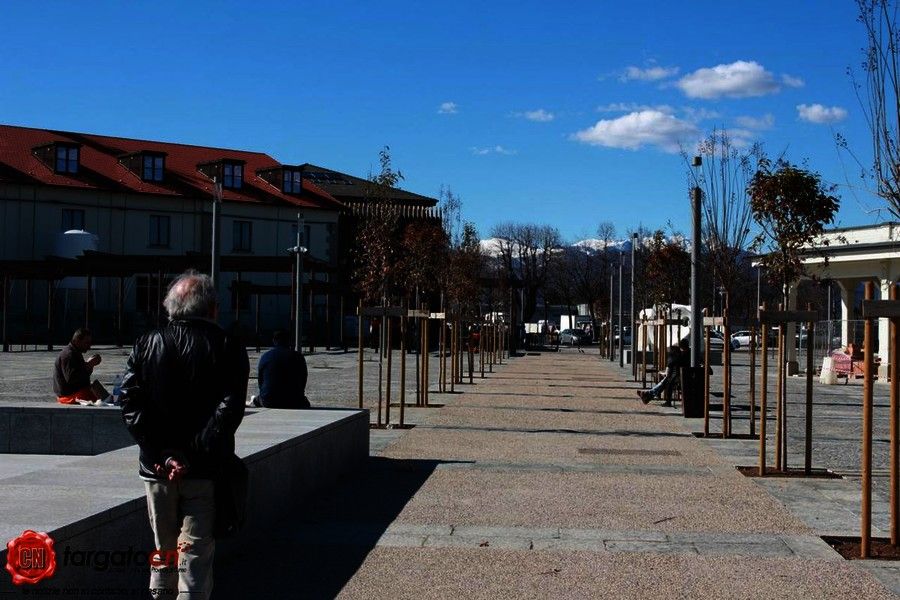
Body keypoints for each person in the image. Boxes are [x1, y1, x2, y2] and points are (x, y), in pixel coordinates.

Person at [120, 271, 249, 600]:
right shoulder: (227, 345)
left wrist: (163, 454)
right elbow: (229, 408)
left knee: (163, 549)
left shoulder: (147, 342)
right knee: (195, 555)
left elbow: (130, 403)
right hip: (204, 470)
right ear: (212, 308)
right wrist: (193, 454)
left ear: (170, 307)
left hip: (157, 470)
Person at [248, 330, 309, 408]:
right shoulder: (298, 357)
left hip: (269, 400)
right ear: (290, 341)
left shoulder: (266, 356)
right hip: (293, 401)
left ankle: (254, 400)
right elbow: (303, 379)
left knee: (259, 398)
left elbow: (261, 380)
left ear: (274, 341)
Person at [53, 328, 107, 404]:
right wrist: (89, 365)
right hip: (69, 395)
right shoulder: (69, 355)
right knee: (99, 398)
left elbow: (82, 375)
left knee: (99, 390)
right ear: (77, 341)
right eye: (86, 343)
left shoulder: (75, 352)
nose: (89, 346)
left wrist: (90, 365)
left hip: (75, 391)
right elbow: (72, 378)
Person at [638, 340, 688, 405]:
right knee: (666, 380)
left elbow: (671, 364)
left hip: (680, 378)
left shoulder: (681, 355)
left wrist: (667, 372)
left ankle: (649, 395)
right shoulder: (686, 354)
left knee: (666, 381)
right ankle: (649, 395)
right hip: (680, 376)